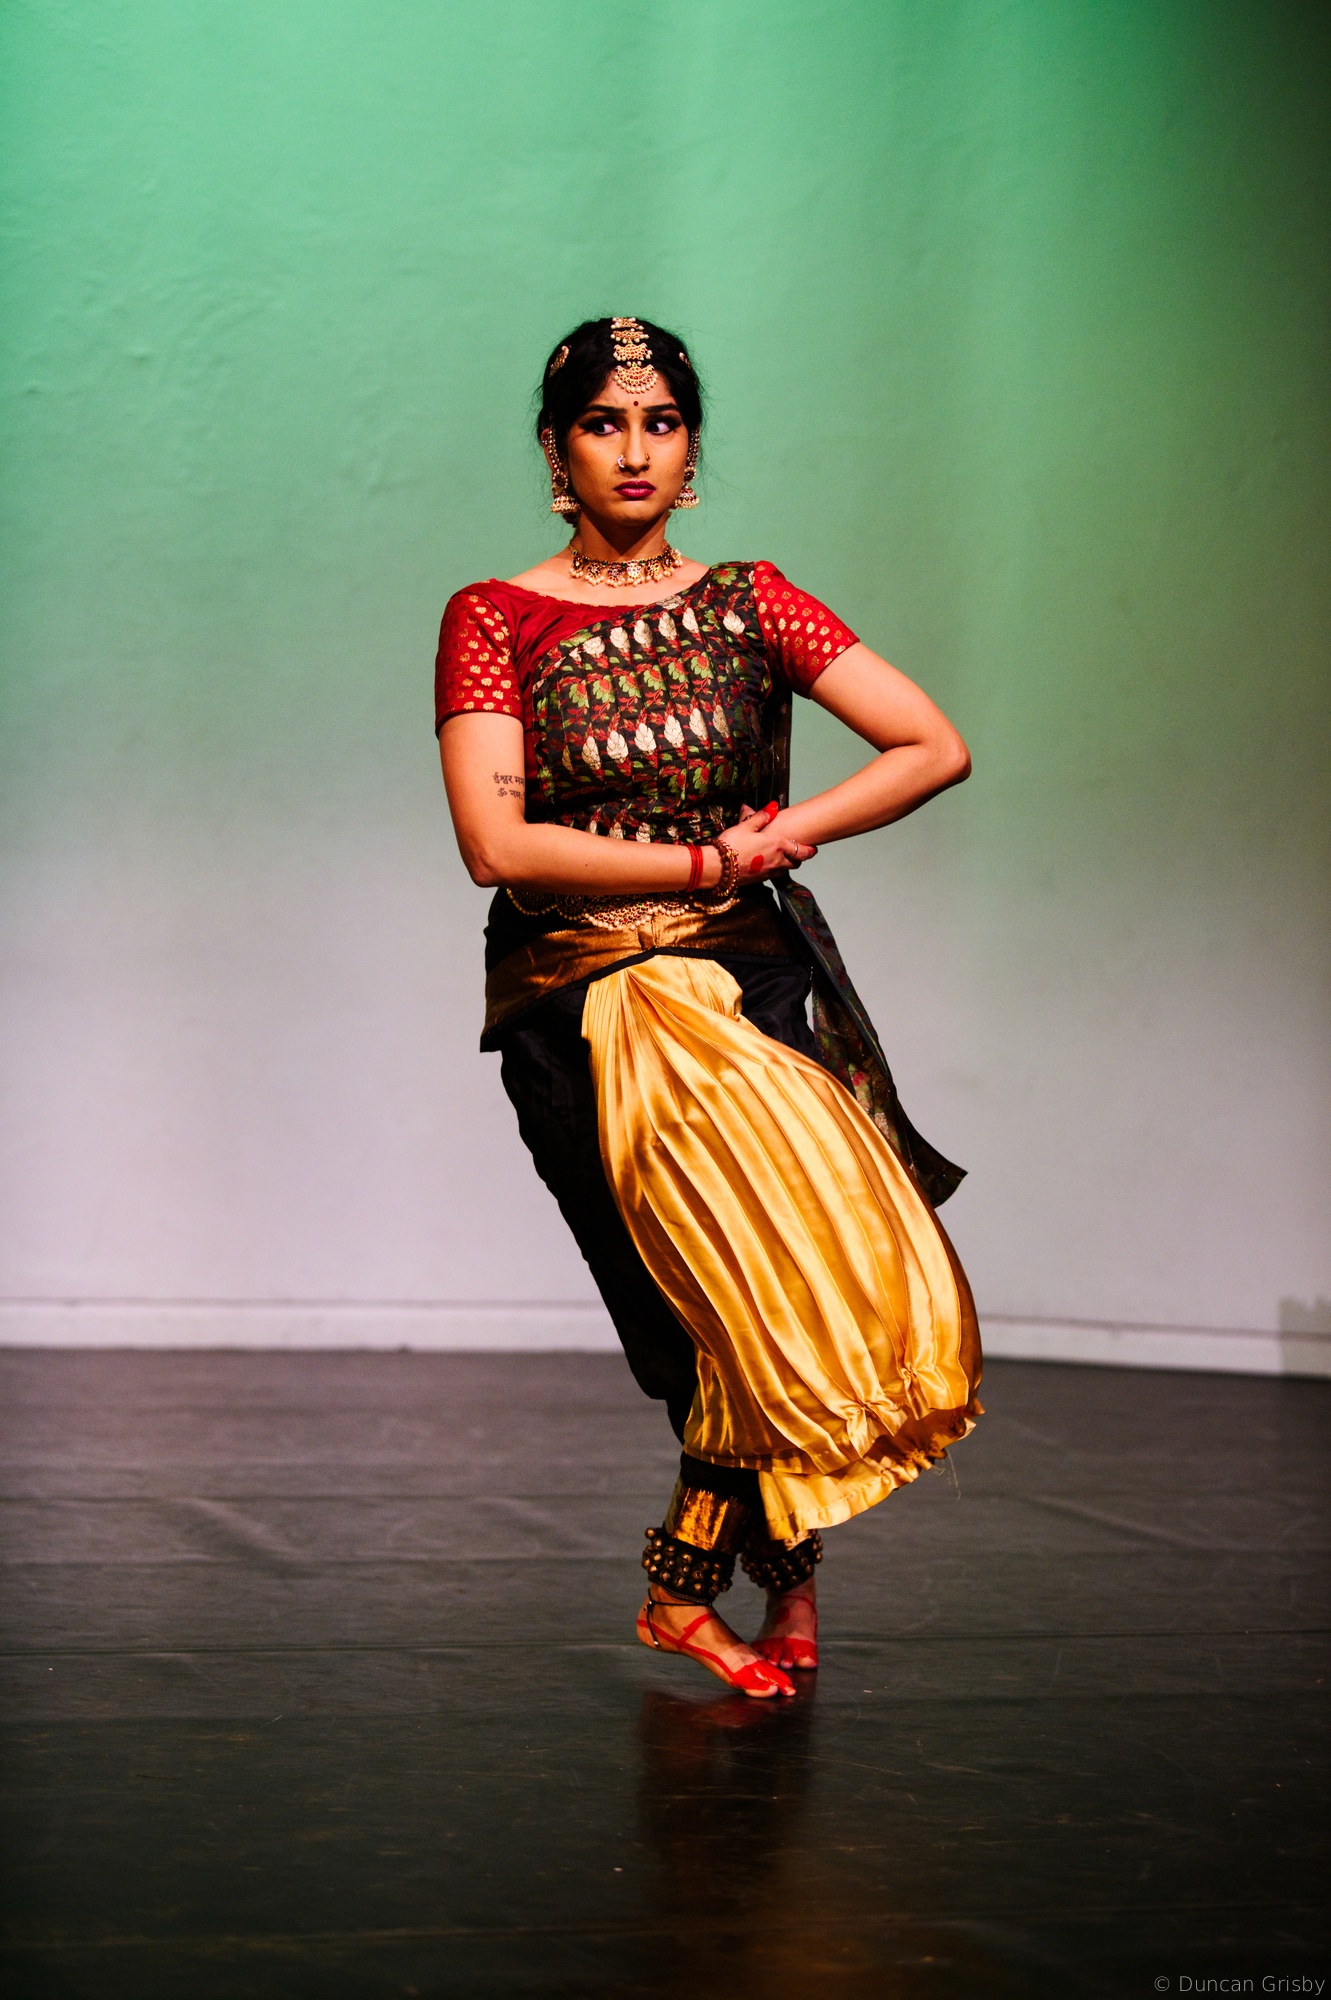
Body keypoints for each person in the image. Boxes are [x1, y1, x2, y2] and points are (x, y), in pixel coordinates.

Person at [435, 316, 982, 1699]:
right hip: (576, 1003)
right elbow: (497, 846)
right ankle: (769, 1574)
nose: (635, 449)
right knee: (694, 1327)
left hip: (752, 984)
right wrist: (702, 863)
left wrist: (784, 836)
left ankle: (700, 1591)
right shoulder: (495, 618)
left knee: (792, 1286)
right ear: (556, 452)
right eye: (602, 423)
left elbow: (932, 745)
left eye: (662, 422)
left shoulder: (753, 602)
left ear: (692, 449)